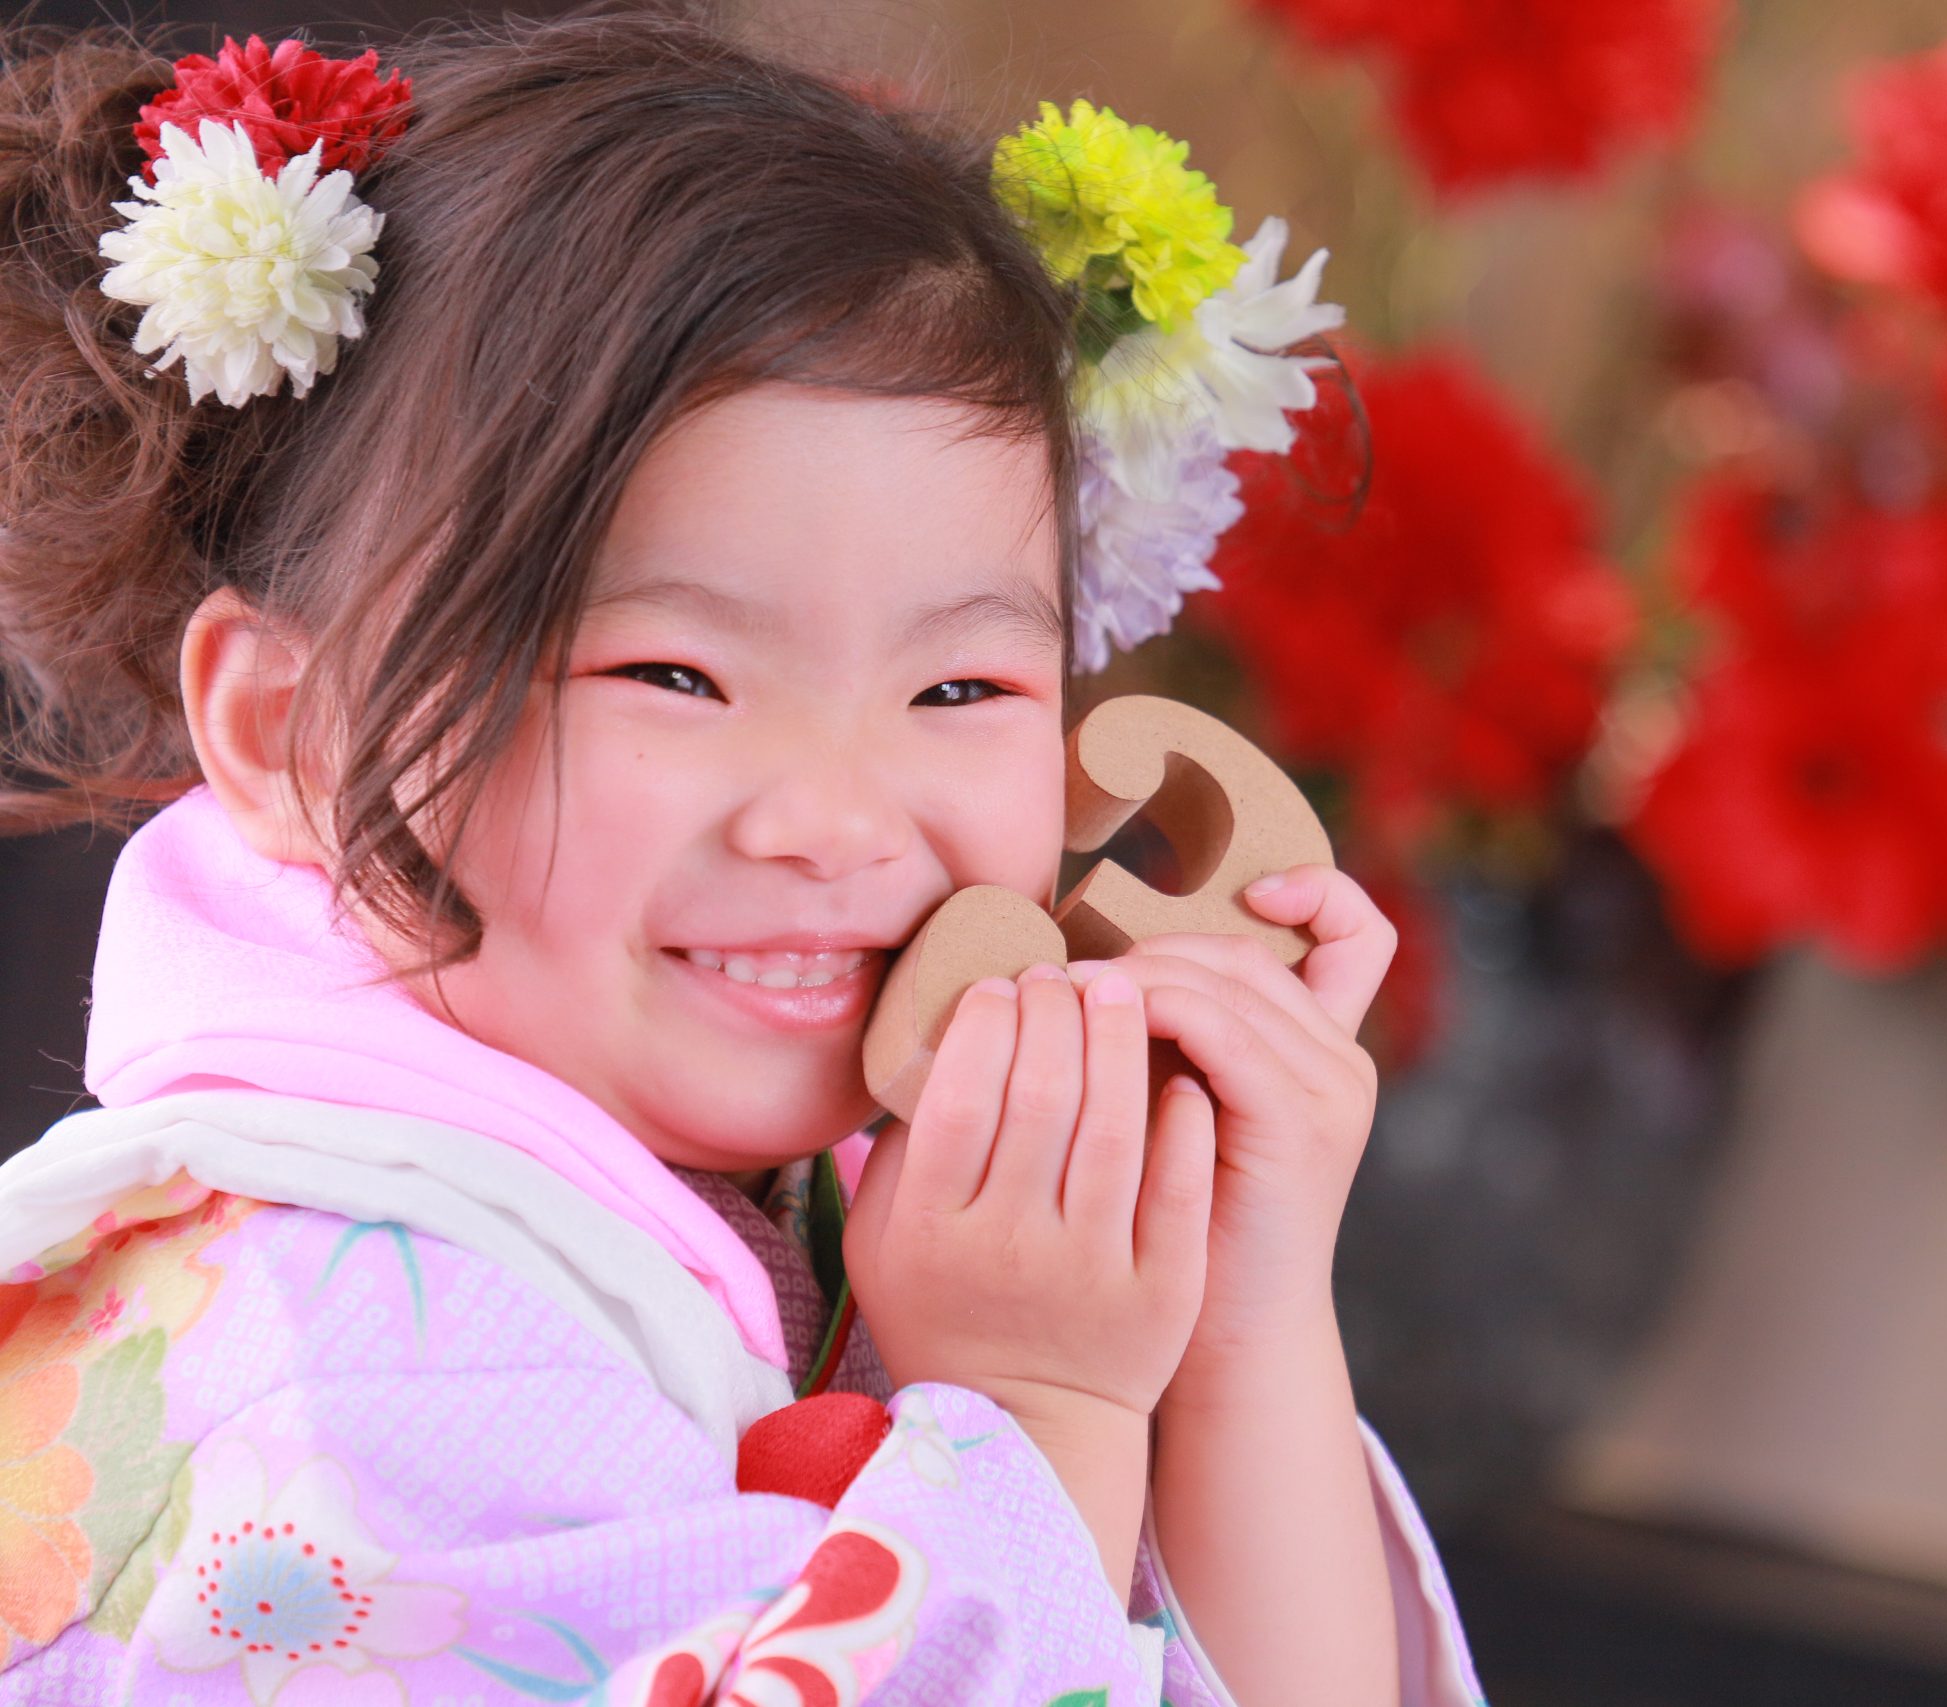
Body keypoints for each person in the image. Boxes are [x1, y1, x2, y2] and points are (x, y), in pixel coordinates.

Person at [0, 12, 1481, 1703]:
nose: (838, 821)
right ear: (288, 732)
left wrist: (1238, 1312)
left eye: (961, 685)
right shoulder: (353, 1367)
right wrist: (1029, 1416)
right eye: (673, 677)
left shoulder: (813, 1182)